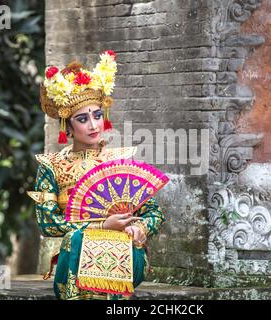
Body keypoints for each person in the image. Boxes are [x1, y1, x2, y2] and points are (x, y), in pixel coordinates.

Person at [27, 51, 165, 300]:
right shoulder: (52, 165)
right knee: (76, 238)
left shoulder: (122, 161)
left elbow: (154, 213)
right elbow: (48, 223)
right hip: (75, 260)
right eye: (82, 118)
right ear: (67, 126)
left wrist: (141, 228)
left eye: (97, 115)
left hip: (125, 255)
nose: (93, 125)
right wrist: (101, 225)